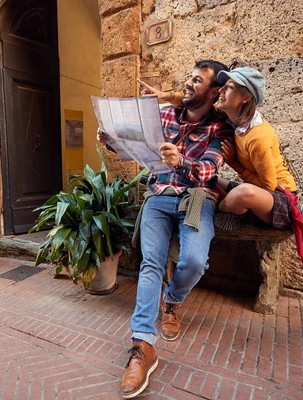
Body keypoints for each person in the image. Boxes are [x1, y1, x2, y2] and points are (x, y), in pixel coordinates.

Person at [99, 60, 234, 398]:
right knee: (150, 265)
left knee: (194, 262)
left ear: (214, 92)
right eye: (189, 77)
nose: (188, 83)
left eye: (197, 80)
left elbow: (208, 170)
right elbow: (136, 148)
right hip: (159, 196)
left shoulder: (220, 128)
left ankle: (171, 300)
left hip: (196, 198)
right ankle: (142, 347)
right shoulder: (164, 115)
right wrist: (112, 141)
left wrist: (182, 163)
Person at [139, 65, 303, 262]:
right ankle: (210, 219)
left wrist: (235, 164)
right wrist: (163, 95)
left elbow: (268, 186)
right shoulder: (231, 119)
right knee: (210, 178)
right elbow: (190, 102)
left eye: (228, 87)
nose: (220, 91)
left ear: (245, 97)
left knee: (241, 192)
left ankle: (216, 218)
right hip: (256, 190)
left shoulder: (257, 136)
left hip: (278, 196)